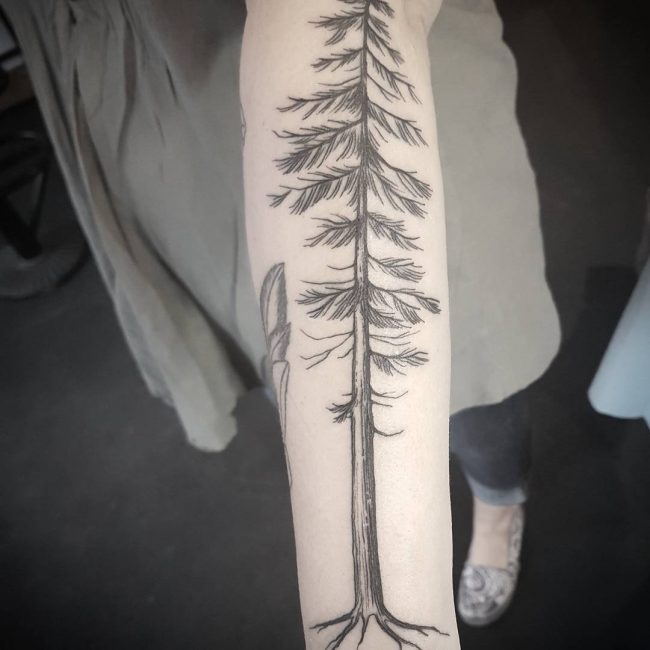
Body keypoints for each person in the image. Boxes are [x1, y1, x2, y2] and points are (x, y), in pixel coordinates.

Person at [6, 0, 560, 643]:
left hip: (328, 54)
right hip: (127, 82)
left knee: (462, 356)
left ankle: (495, 504)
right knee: (267, 339)